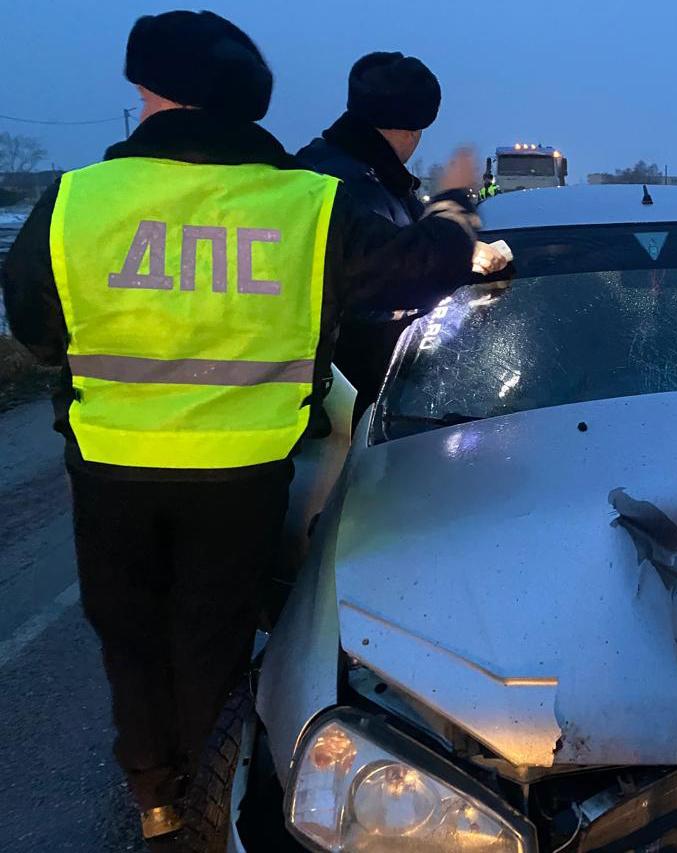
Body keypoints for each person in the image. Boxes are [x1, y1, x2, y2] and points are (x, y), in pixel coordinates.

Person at [0, 10, 491, 850]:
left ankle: (155, 794)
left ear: (159, 96)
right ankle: (208, 794)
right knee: (214, 638)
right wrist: (452, 200)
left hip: (110, 467)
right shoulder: (306, 203)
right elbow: (419, 275)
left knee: (129, 634)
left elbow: (40, 331)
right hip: (243, 474)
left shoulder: (76, 197)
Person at [297, 51, 482, 418]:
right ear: (412, 130)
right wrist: (454, 205)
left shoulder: (334, 170)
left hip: (339, 394)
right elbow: (402, 277)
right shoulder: (353, 188)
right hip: (344, 402)